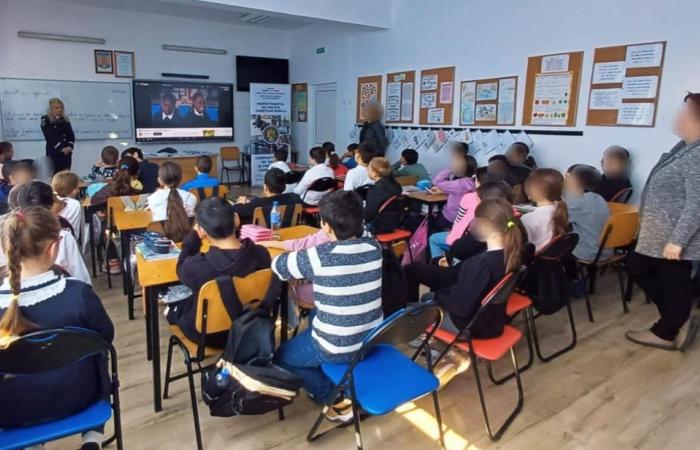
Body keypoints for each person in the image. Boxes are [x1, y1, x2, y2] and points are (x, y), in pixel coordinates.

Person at [0, 206, 114, 450]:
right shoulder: (77, 294)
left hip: (12, 409)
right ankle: (92, 438)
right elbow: (106, 336)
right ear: (53, 248)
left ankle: (31, 444)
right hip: (80, 395)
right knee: (99, 354)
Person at [272, 190, 383, 421]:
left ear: (326, 226)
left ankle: (334, 397)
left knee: (282, 356)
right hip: (371, 338)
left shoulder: (320, 256)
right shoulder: (374, 247)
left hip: (336, 345)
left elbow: (279, 266)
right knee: (316, 312)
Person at [626, 93, 700, 351]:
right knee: (651, 271)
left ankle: (668, 330)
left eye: (684, 113)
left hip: (673, 237)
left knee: (667, 277)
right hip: (659, 233)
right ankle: (676, 318)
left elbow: (697, 203)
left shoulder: (697, 155)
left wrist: (677, 241)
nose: (678, 117)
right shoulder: (685, 147)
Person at [407, 198, 523, 339]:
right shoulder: (512, 255)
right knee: (429, 298)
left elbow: (460, 307)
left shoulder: (480, 264)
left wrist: (439, 295)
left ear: (487, 227)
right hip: (493, 322)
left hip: (469, 327)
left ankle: (417, 338)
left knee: (425, 302)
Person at [169, 197, 271, 345]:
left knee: (175, 310)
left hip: (210, 336)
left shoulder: (197, 266)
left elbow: (180, 268)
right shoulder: (261, 254)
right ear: (236, 219)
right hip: (250, 328)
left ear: (202, 231)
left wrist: (193, 239)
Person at [2, 181, 91, 285]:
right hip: (62, 290)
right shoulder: (62, 236)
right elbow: (81, 278)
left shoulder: (7, 232)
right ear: (52, 205)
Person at [564, 164, 610, 261]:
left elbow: (554, 215)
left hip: (588, 252)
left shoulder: (576, 202)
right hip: (606, 251)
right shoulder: (599, 198)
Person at [147, 161, 197, 242]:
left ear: (159, 180)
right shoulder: (191, 197)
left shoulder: (152, 199)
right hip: (188, 242)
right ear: (182, 178)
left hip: (161, 244)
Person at [522, 168, 569, 252]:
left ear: (531, 192)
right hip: (553, 252)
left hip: (534, 254)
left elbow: (523, 242)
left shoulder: (528, 217)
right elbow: (531, 207)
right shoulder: (561, 206)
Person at [233, 168, 302, 224]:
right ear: (285, 187)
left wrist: (240, 203)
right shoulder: (295, 199)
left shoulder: (257, 205)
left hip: (264, 237)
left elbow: (233, 211)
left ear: (265, 188)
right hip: (290, 234)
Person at [429, 151, 477, 230]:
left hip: (449, 218)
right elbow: (460, 194)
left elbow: (436, 181)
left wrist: (450, 169)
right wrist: (444, 191)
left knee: (427, 219)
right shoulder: (473, 182)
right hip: (464, 218)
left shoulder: (460, 184)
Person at [364, 157, 402, 233]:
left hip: (377, 226)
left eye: (368, 169)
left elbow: (368, 215)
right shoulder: (397, 186)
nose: (366, 170)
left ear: (375, 173)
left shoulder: (375, 190)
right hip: (394, 223)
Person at [40, 98, 75, 174]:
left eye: (61, 107)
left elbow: (71, 135)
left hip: (66, 154)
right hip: (54, 154)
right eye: (57, 108)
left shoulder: (65, 119)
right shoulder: (46, 119)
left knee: (66, 176)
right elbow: (49, 137)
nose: (60, 110)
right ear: (51, 109)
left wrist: (69, 147)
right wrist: (61, 148)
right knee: (54, 176)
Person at [51, 170, 85, 243]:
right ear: (74, 190)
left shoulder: (51, 201)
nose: (78, 191)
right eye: (78, 188)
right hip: (70, 241)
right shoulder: (75, 204)